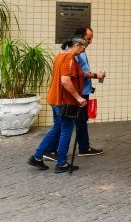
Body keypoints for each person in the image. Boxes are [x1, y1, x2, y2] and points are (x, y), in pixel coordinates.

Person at [27, 36, 89, 173]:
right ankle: (61, 163)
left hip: (54, 99)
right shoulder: (69, 58)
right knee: (66, 130)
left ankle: (37, 157)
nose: (84, 51)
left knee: (57, 128)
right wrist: (78, 97)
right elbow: (65, 81)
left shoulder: (60, 56)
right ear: (77, 45)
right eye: (84, 47)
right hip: (64, 101)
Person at [43, 26, 105, 161]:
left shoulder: (65, 54)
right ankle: (61, 158)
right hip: (72, 95)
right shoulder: (70, 56)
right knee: (69, 126)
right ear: (78, 42)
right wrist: (78, 96)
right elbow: (68, 79)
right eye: (88, 40)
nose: (89, 44)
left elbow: (78, 73)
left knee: (61, 125)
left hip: (65, 96)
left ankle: (42, 154)